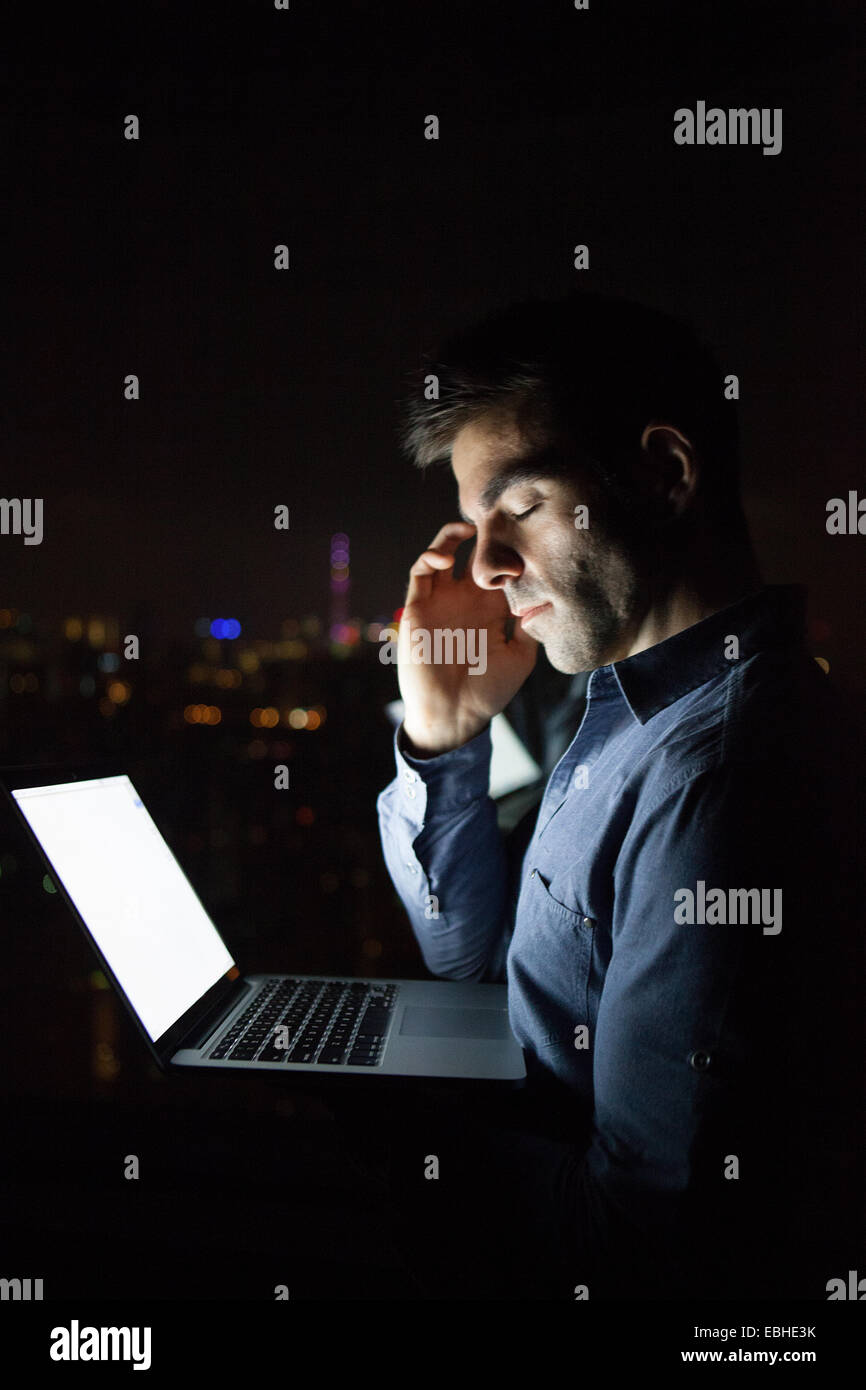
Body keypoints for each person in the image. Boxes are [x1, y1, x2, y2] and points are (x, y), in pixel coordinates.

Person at [374, 291, 864, 1299]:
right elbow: (485, 974)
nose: (487, 567)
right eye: (470, 527)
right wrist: (443, 735)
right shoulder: (628, 720)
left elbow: (641, 1246)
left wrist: (398, 1128)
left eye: (517, 507)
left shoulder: (714, 780)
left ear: (662, 474)